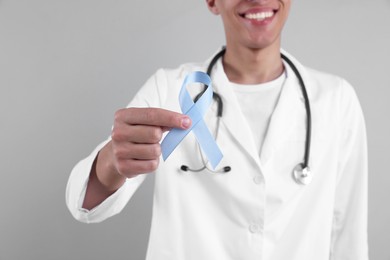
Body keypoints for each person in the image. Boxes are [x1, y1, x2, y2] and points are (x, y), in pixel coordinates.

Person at [66, 0, 369, 259]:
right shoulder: (171, 90)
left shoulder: (336, 100)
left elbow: (349, 237)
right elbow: (84, 203)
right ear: (211, 1)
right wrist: (112, 161)